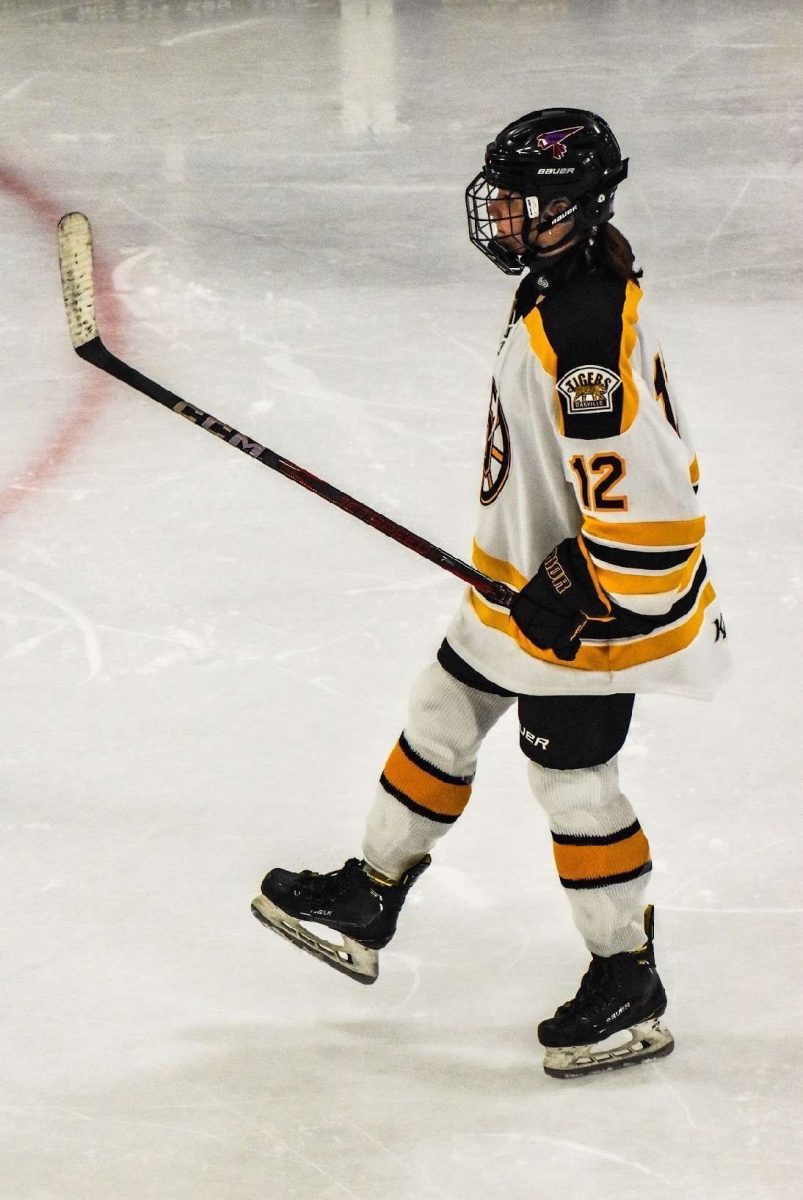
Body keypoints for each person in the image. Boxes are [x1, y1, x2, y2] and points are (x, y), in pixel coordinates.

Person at [251, 108, 730, 1078]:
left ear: (577, 208)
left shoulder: (584, 337)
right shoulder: (559, 286)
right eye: (502, 196)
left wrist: (584, 588)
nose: (503, 216)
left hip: (597, 614)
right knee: (441, 707)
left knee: (570, 782)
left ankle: (625, 979)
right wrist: (540, 574)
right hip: (530, 588)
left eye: (525, 201)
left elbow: (660, 507)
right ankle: (368, 895)